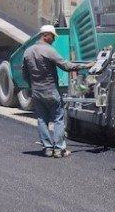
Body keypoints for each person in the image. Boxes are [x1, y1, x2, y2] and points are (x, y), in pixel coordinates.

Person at [21, 24, 92, 158]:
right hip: (50, 90)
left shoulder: (28, 51)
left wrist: (32, 86)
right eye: (53, 36)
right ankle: (59, 149)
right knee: (58, 118)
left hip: (36, 91)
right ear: (46, 35)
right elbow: (66, 66)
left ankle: (48, 148)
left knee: (42, 119)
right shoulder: (49, 51)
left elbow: (24, 73)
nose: (54, 39)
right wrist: (85, 66)